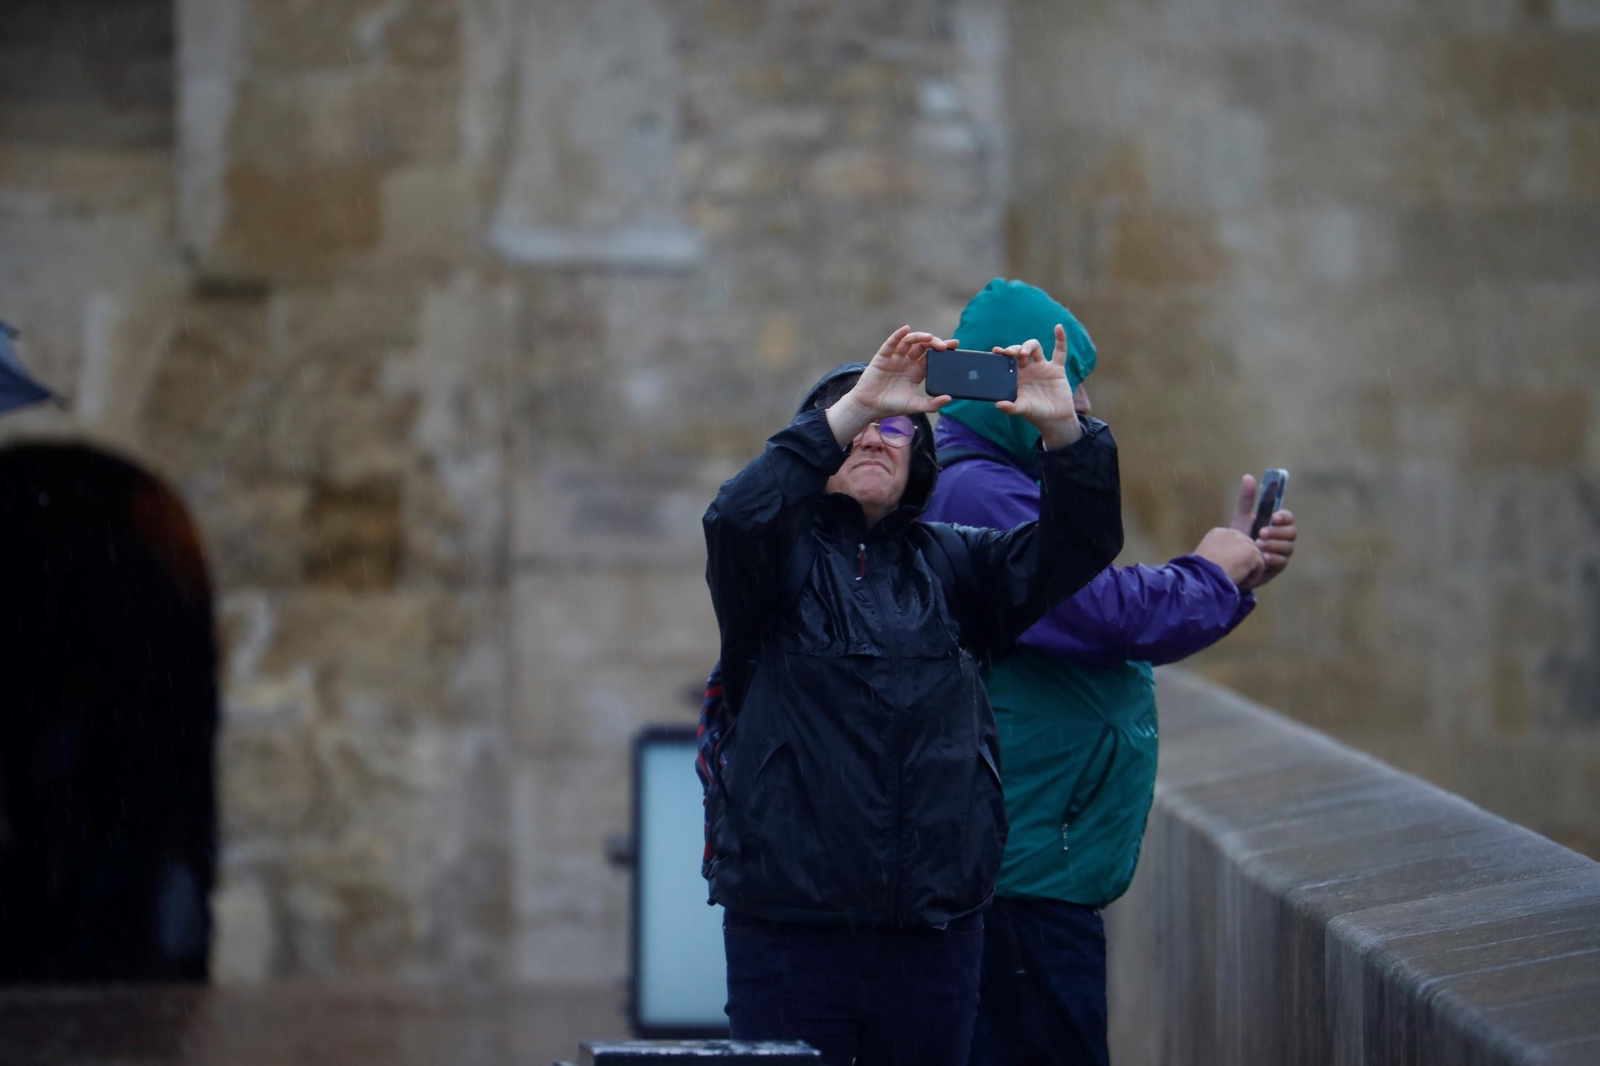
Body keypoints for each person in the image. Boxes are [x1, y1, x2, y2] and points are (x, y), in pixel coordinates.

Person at [701, 325, 1124, 1066]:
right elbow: (735, 516)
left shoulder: (955, 564)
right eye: (857, 426)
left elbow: (1080, 543)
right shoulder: (770, 565)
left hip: (935, 940)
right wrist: (859, 403)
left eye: (894, 428)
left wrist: (1064, 429)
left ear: (919, 461)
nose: (872, 440)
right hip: (790, 939)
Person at [922, 279, 1299, 1066]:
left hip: (1026, 857)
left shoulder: (986, 477)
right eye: (1062, 379)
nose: (1086, 403)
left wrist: (1229, 575)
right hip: (1019, 867)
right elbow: (1101, 612)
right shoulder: (974, 485)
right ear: (1006, 387)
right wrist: (1208, 573)